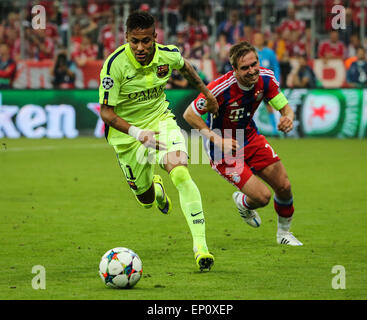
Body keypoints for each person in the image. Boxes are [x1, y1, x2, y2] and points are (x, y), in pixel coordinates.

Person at [98, 11, 219, 271]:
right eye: (134, 41)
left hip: (161, 121)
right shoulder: (114, 66)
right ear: (126, 38)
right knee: (145, 200)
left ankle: (201, 247)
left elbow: (185, 66)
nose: (140, 47)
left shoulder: (167, 54)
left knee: (182, 175)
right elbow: (106, 113)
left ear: (155, 36)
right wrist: (137, 134)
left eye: (145, 40)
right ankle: (155, 186)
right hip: (128, 136)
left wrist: (207, 94)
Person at [183, 41, 303, 246]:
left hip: (250, 137)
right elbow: (189, 114)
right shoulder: (219, 89)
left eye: (254, 64)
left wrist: (288, 117)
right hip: (222, 148)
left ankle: (284, 234)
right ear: (235, 70)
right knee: (263, 197)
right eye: (245, 68)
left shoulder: (266, 78)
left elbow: (285, 108)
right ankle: (243, 202)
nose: (252, 71)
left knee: (284, 186)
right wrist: (217, 140)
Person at [253, 31, 281, 136]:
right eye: (256, 38)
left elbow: (276, 67)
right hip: (253, 85)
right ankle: (252, 131)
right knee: (250, 108)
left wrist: (276, 81)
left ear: (263, 39)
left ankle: (275, 130)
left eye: (259, 38)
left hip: (266, 85)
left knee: (270, 107)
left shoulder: (270, 53)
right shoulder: (251, 53)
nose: (258, 40)